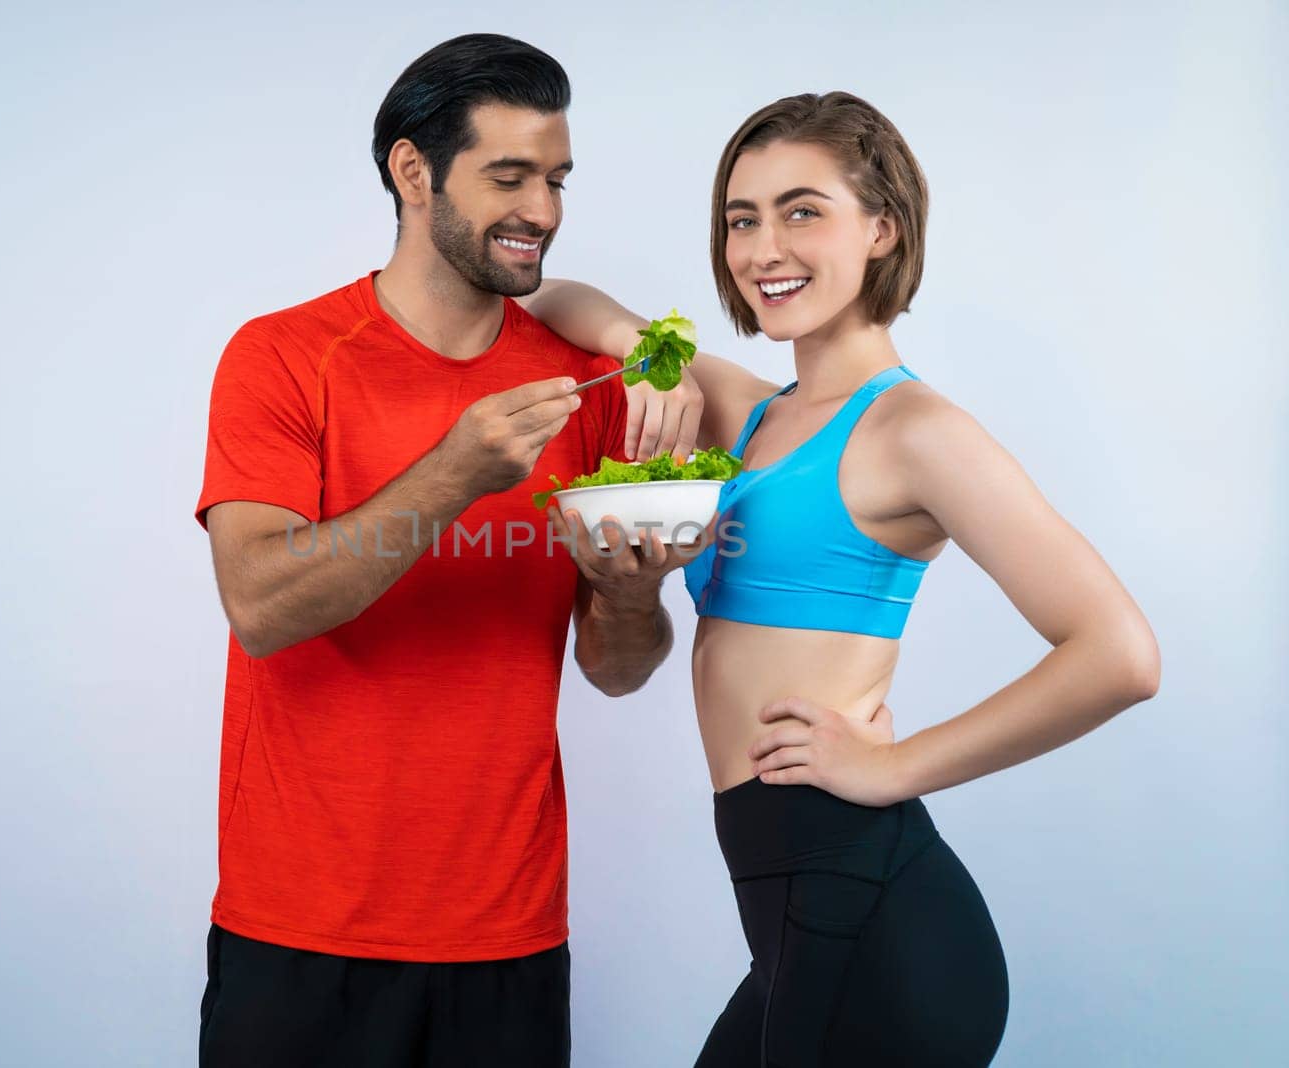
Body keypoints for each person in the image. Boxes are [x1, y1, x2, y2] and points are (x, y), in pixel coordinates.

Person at [523, 91, 1161, 1066]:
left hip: (871, 924)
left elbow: (1119, 654)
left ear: (881, 228)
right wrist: (643, 358)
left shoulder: (915, 433)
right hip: (795, 920)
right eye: (742, 218)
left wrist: (894, 767)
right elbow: (547, 298)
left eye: (801, 210)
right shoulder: (746, 414)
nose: (763, 246)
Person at [192, 34, 706, 1067]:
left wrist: (628, 596)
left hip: (506, 936)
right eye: (508, 177)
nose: (543, 212)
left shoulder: (585, 385)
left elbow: (616, 669)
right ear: (413, 173)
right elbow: (259, 603)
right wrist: (453, 473)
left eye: (555, 179)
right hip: (300, 935)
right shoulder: (283, 358)